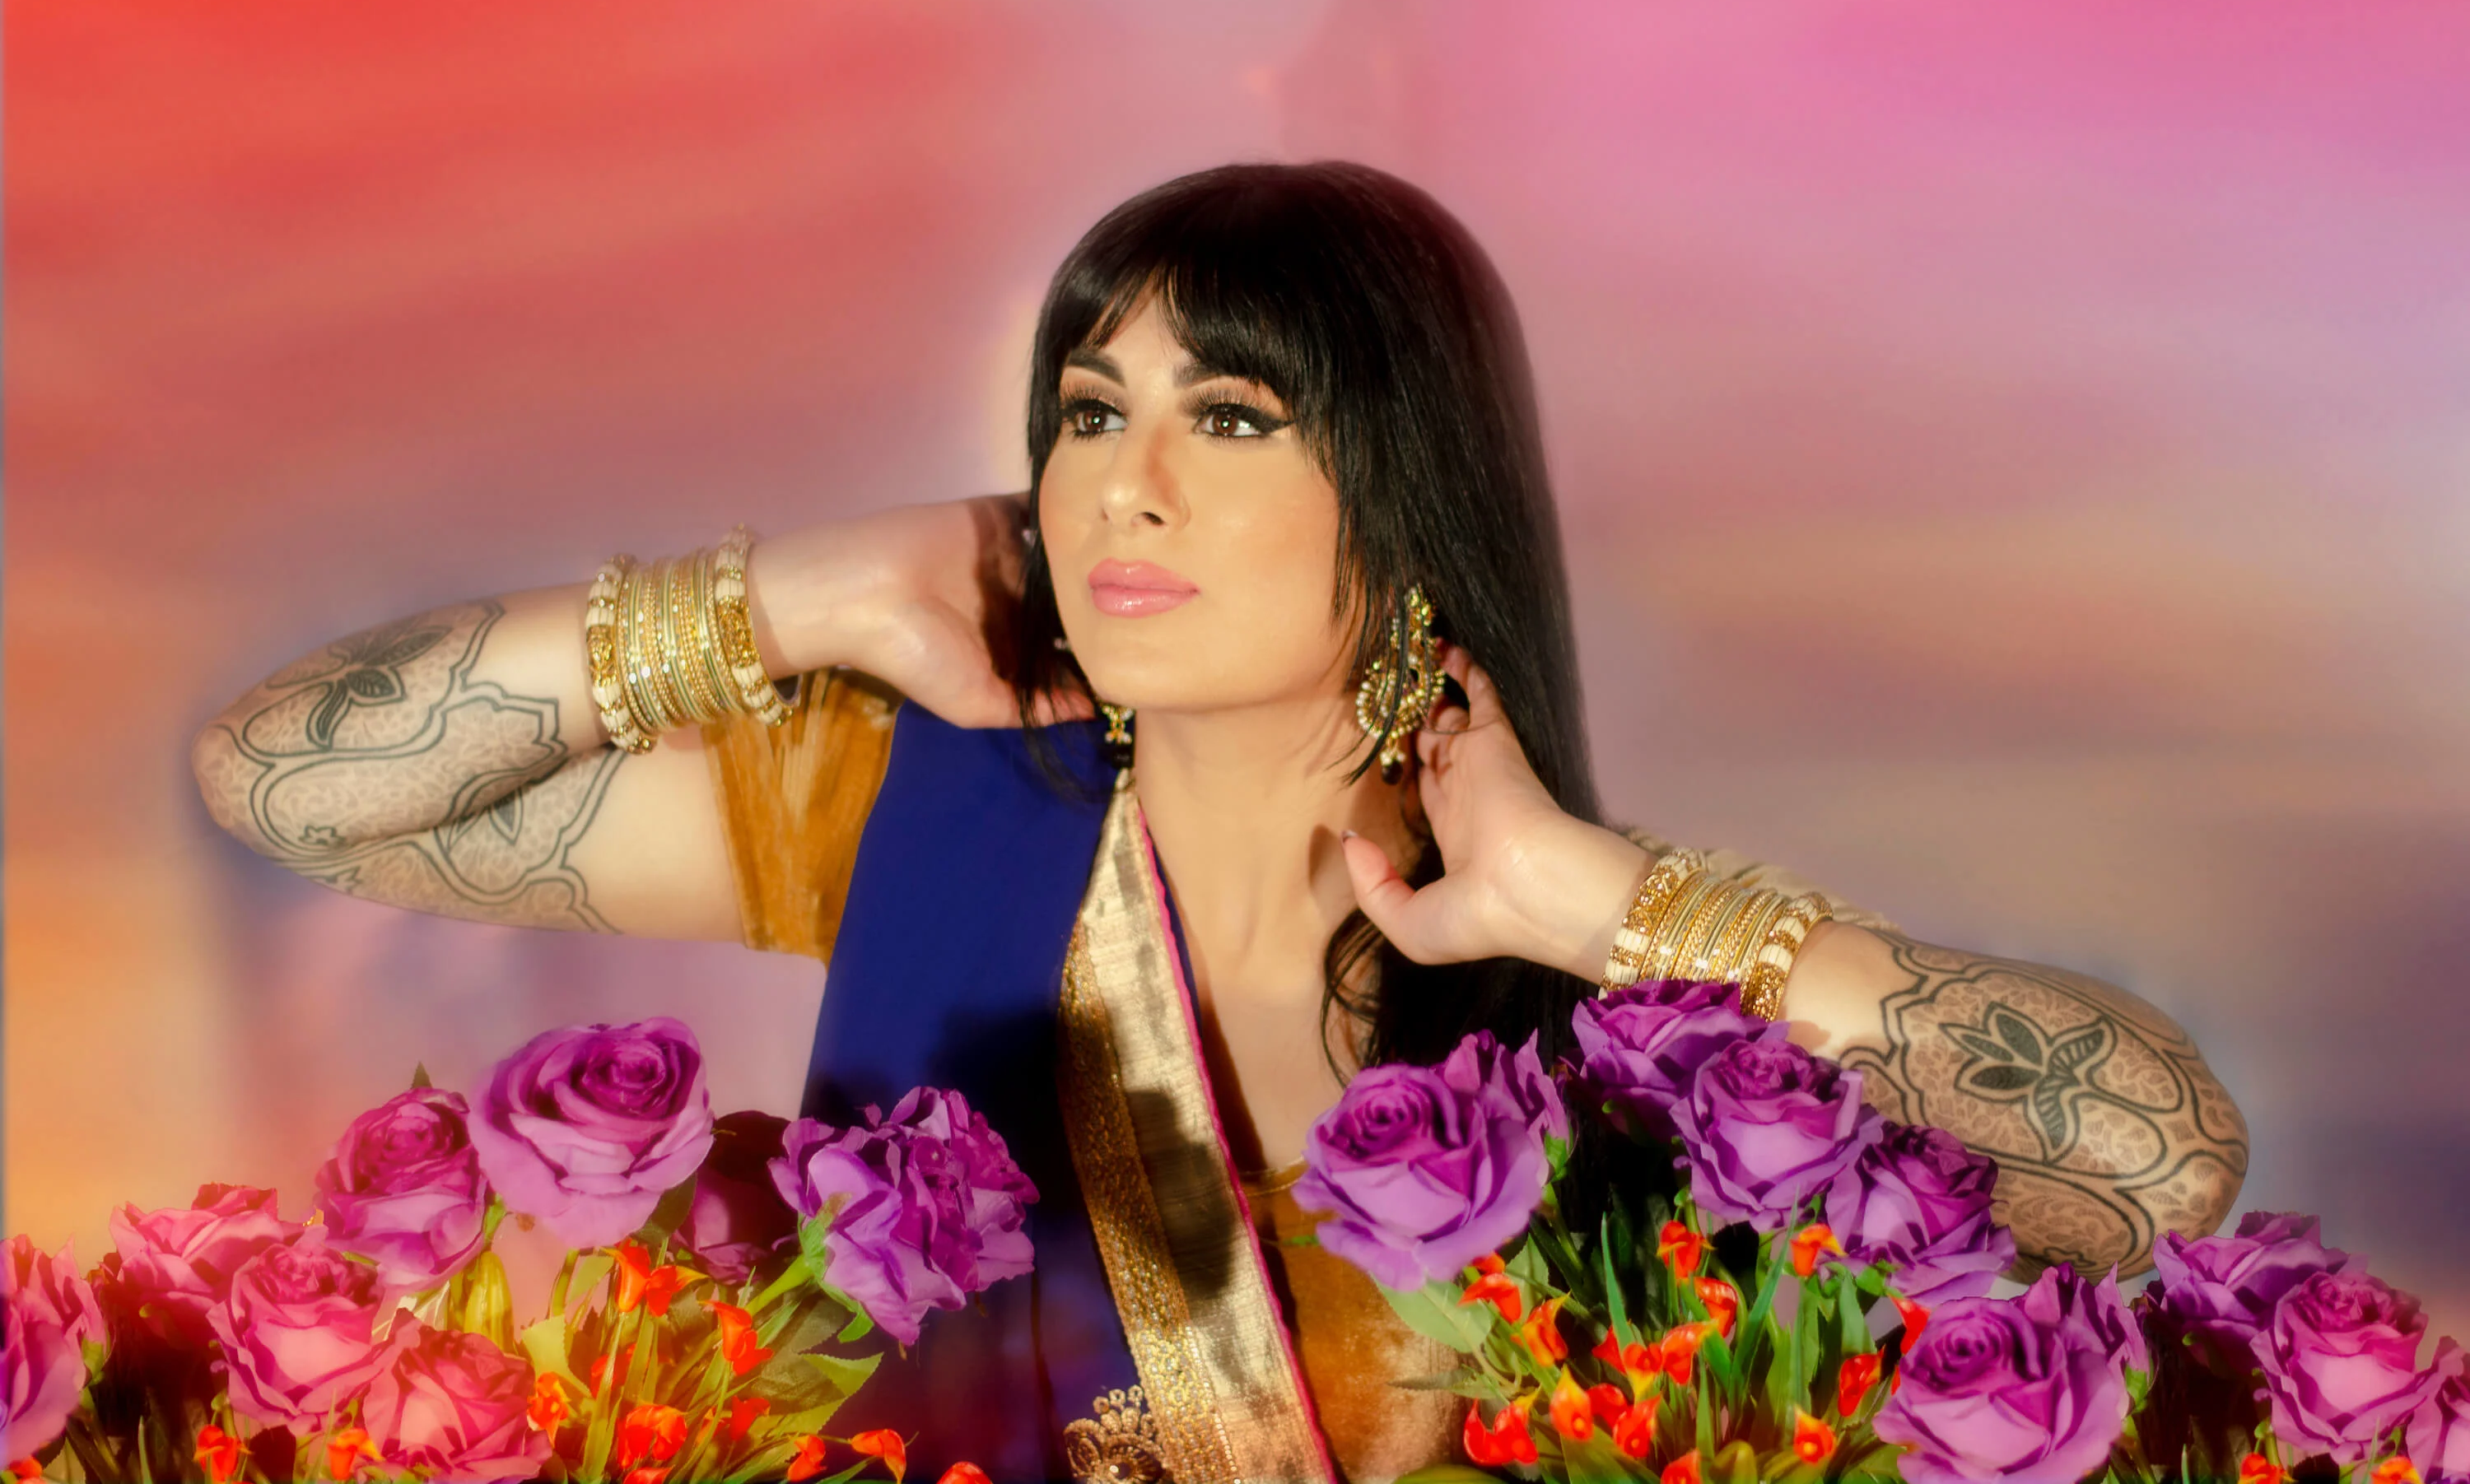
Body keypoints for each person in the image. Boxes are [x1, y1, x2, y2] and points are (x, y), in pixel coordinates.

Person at [193, 161, 2248, 1483]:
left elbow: (2160, 1159)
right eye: (1090, 411)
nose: (1123, 483)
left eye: (1231, 416)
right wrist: (786, 596)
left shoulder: (1612, 1021)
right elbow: (289, 778)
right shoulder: (915, 813)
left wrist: (1605, 904)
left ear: (1413, 491)